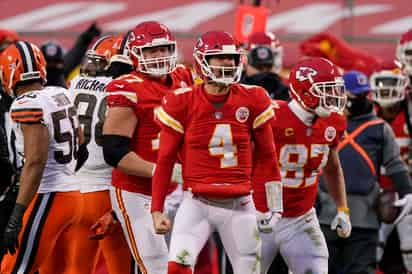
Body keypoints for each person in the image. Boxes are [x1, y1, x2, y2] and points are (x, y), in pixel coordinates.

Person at [151, 30, 282, 274]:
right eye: (220, 57)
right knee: (177, 267)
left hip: (240, 203)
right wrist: (156, 209)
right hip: (197, 202)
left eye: (232, 58)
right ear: (202, 61)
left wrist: (274, 205)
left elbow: (268, 157)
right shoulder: (182, 101)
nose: (228, 63)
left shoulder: (254, 98)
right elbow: (165, 160)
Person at [102, 21, 193, 274]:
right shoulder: (127, 87)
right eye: (152, 51)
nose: (160, 56)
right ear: (134, 53)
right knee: (157, 266)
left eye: (164, 49)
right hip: (138, 192)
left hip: (178, 191)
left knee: (183, 263)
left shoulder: (183, 79)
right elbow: (114, 152)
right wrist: (164, 172)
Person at [0, 41, 87, 273]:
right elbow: (82, 142)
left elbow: (35, 162)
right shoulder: (60, 93)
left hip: (49, 196)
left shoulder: (26, 104)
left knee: (12, 269)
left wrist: (16, 216)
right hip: (74, 195)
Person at [259, 57, 350, 274]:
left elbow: (333, 168)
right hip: (259, 214)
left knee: (316, 269)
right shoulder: (271, 116)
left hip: (301, 218)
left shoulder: (332, 122)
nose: (333, 97)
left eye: (335, 90)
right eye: (325, 90)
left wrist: (342, 208)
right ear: (304, 92)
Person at [318, 70, 412, 274]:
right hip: (326, 213)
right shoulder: (325, 123)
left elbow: (395, 165)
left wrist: (408, 193)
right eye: (354, 95)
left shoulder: (379, 128)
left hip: (364, 215)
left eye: (362, 95)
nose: (359, 99)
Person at [67, 34, 135, 274]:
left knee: (77, 268)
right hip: (107, 190)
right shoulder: (127, 89)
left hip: (73, 191)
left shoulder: (74, 84)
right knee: (123, 268)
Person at [371, 62, 412, 274]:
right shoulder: (367, 116)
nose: (387, 90)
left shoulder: (408, 115)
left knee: (409, 247)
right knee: (372, 248)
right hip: (377, 191)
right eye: (383, 84)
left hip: (407, 191)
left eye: (392, 84)